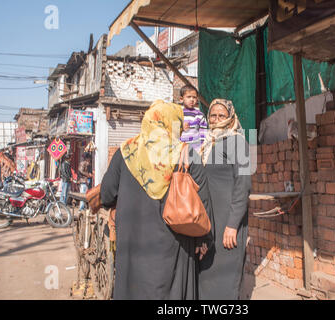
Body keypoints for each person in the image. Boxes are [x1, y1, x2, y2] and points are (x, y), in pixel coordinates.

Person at [100, 100, 214, 300]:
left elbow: (107, 195)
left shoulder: (125, 151)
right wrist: (204, 240)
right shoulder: (186, 154)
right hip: (175, 246)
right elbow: (203, 202)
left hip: (132, 245)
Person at [198, 99, 252, 300]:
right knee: (207, 276)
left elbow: (244, 185)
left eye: (222, 115)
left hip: (228, 223)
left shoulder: (239, 142)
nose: (217, 119)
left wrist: (232, 224)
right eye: (213, 115)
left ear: (230, 117)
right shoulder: (208, 143)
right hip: (209, 222)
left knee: (226, 279)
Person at [179, 85, 208, 151]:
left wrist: (202, 147)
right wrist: (180, 127)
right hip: (179, 148)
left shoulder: (199, 115)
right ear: (181, 99)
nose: (192, 100)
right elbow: (172, 131)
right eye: (189, 97)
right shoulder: (177, 113)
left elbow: (203, 132)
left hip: (195, 149)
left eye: (194, 97)